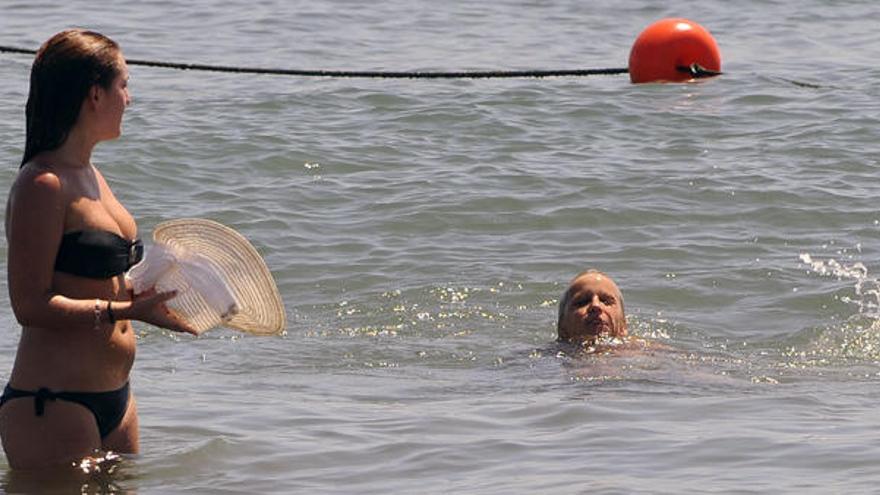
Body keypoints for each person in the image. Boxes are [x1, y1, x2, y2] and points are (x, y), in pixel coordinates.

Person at [0, 29, 196, 470]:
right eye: (124, 85)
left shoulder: (92, 175)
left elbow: (100, 279)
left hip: (116, 399)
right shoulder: (42, 184)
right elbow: (29, 305)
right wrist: (121, 313)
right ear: (95, 94)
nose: (129, 98)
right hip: (52, 403)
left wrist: (150, 297)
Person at [557, 270, 628, 343]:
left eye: (605, 301)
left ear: (623, 325)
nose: (595, 305)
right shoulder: (549, 354)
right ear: (562, 327)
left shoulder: (638, 352)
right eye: (583, 302)